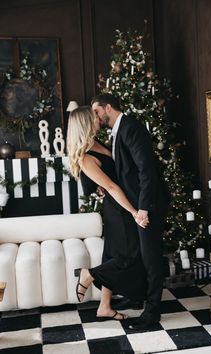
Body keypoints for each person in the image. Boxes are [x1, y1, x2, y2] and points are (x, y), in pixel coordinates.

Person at [91, 93, 170, 330]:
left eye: (96, 111)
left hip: (148, 207)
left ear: (107, 107)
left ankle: (152, 311)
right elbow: (127, 173)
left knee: (151, 258)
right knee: (137, 254)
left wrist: (144, 209)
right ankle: (136, 298)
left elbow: (146, 172)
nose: (95, 117)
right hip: (135, 208)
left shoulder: (131, 128)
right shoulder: (117, 131)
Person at [66, 106, 148, 321]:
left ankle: (104, 306)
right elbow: (111, 187)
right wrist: (134, 211)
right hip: (119, 209)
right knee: (128, 256)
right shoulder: (85, 158)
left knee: (112, 254)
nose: (98, 117)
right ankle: (89, 274)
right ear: (85, 122)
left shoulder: (97, 143)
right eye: (93, 116)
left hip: (120, 204)